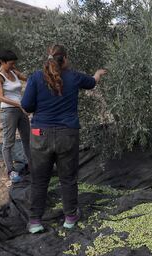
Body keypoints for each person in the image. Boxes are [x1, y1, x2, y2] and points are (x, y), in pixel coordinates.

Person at [21, 44, 107, 233]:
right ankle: (70, 217)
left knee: (39, 179)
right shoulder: (74, 76)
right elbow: (93, 82)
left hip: (39, 135)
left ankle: (35, 221)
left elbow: (26, 106)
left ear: (48, 57)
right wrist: (99, 73)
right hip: (67, 134)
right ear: (65, 59)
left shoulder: (36, 77)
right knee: (68, 179)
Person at [0, 50, 31, 183]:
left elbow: (28, 79)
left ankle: (31, 164)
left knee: (27, 138)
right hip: (9, 111)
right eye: (11, 63)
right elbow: (0, 97)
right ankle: (11, 171)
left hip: (21, 109)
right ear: (2, 62)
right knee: (9, 142)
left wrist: (15, 69)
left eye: (14, 63)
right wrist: (19, 105)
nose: (13, 65)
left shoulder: (14, 72)